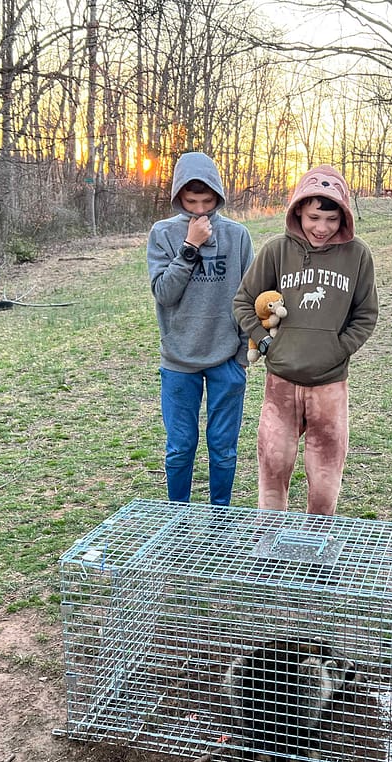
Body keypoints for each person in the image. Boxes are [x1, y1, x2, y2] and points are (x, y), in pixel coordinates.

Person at [233, 165, 378, 516]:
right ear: (298, 209)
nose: (322, 228)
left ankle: (319, 545)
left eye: (331, 219)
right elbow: (243, 302)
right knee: (273, 465)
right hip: (281, 382)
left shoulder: (358, 255)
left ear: (343, 217)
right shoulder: (276, 251)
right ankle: (268, 543)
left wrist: (338, 348)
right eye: (314, 217)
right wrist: (266, 344)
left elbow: (366, 314)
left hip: (329, 386)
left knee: (325, 473)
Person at [147, 151, 255, 506]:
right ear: (179, 197)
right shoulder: (162, 234)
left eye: (207, 201)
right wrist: (190, 246)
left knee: (223, 449)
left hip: (226, 359)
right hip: (178, 360)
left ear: (219, 196)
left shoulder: (237, 236)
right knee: (180, 448)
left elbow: (248, 297)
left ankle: (219, 520)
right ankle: (178, 517)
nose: (200, 210)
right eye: (191, 201)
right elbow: (164, 293)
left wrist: (241, 355)